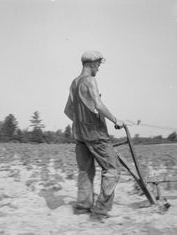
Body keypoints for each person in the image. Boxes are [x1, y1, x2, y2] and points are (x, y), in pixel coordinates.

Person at [64, 50, 124, 221]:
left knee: (85, 171)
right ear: (91, 64)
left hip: (80, 136)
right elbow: (98, 104)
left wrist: (81, 121)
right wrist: (115, 120)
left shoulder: (74, 83)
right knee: (112, 169)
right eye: (98, 64)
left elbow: (68, 110)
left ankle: (83, 207)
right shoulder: (90, 80)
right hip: (96, 135)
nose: (99, 68)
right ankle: (100, 212)